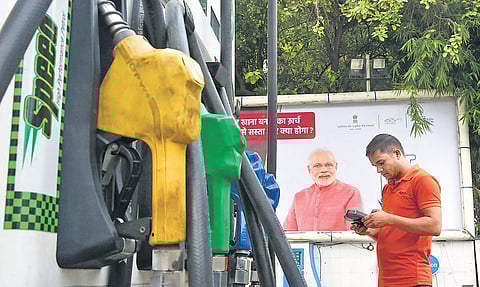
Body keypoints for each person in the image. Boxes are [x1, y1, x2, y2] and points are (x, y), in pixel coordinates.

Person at [352, 133, 441, 287]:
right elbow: (392, 233)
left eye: (381, 163)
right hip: (386, 279)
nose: (379, 170)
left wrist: (389, 219)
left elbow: (435, 226)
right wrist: (368, 231)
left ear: (397, 154)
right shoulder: (387, 188)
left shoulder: (422, 180)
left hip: (413, 279)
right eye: (375, 166)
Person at [283, 149, 362, 231]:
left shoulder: (351, 193)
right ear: (309, 170)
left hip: (341, 244)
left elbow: (354, 232)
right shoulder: (299, 197)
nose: (324, 170)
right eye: (317, 166)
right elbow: (288, 233)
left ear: (336, 167)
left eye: (328, 165)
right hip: (304, 244)